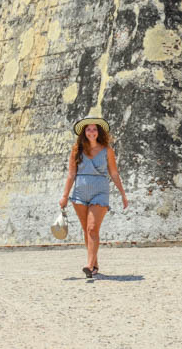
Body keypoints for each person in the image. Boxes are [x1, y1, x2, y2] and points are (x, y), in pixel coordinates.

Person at [59, 116, 128, 278]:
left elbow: (114, 173)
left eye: (94, 129)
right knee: (87, 230)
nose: (92, 132)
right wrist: (64, 196)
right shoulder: (77, 149)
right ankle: (94, 264)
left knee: (92, 228)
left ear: (99, 132)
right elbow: (71, 174)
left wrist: (123, 194)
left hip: (100, 192)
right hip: (80, 194)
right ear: (84, 132)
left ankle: (89, 266)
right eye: (88, 129)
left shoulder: (107, 150)